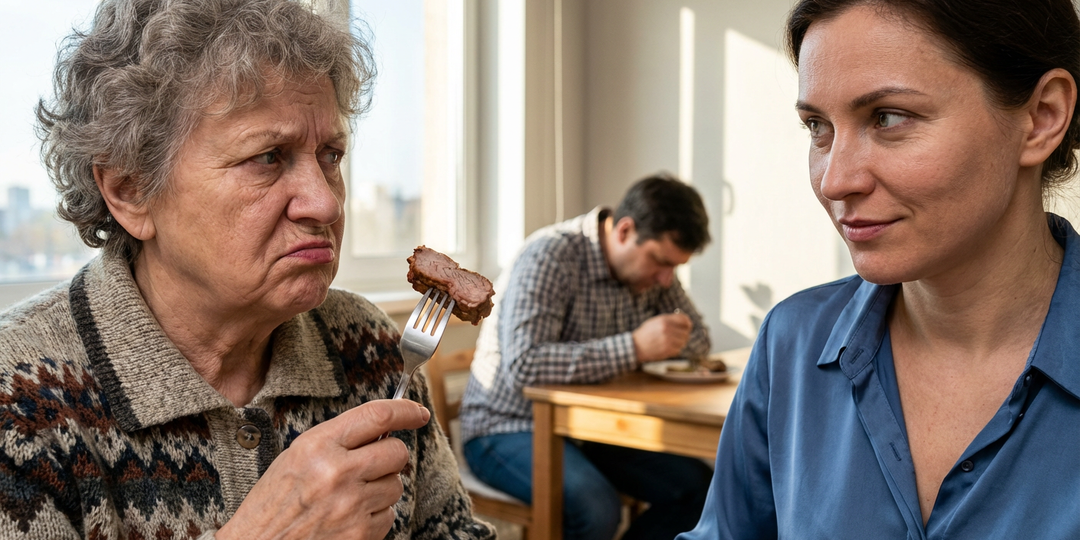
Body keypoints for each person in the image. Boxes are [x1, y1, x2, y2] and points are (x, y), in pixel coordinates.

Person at [0, 0, 495, 538]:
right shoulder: (21, 398)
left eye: (329, 155)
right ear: (130, 190)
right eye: (268, 157)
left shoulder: (371, 347)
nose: (325, 205)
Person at [679, 0, 1080, 538]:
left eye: (888, 118)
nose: (834, 181)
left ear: (1042, 117)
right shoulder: (792, 344)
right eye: (818, 126)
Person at [460, 173, 715, 540]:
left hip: (591, 429)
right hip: (504, 427)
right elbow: (525, 365)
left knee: (702, 490)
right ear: (625, 231)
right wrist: (636, 347)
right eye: (661, 262)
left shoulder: (654, 273)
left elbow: (700, 338)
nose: (666, 279)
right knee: (597, 508)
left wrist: (661, 340)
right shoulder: (550, 255)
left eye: (674, 267)